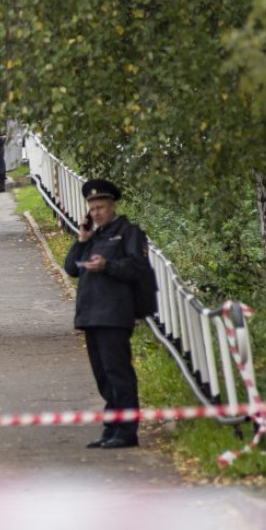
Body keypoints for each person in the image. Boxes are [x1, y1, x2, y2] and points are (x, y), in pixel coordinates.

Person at [64, 179, 153, 450]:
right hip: (91, 314)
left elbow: (138, 268)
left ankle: (126, 431)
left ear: (112, 206)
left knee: (118, 373)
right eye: (92, 209)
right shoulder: (94, 236)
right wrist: (81, 241)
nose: (96, 213)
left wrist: (108, 265)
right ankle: (112, 427)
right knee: (103, 376)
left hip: (114, 314)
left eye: (101, 207)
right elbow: (71, 268)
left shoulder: (128, 233)